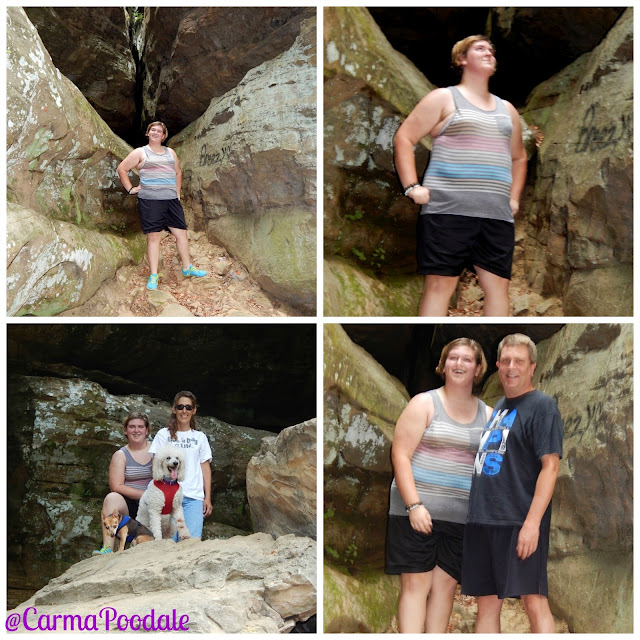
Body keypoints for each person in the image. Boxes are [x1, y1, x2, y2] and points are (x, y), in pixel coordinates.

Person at [394, 35, 527, 317]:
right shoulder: (443, 98)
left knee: (498, 287)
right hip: (447, 211)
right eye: (480, 48)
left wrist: (513, 198)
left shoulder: (508, 111)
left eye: (491, 50)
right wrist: (411, 186)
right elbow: (404, 138)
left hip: (496, 215)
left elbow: (519, 157)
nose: (489, 52)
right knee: (440, 285)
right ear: (461, 59)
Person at [386, 338, 493, 632]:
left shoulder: (489, 416)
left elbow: (491, 471)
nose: (459, 364)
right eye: (453, 358)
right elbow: (401, 454)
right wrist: (414, 505)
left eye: (467, 360)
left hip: (461, 518)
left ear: (478, 369)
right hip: (416, 510)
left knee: (445, 586)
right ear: (443, 365)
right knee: (416, 583)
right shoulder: (423, 403)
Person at [461, 333, 563, 633]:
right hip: (483, 520)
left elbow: (551, 467)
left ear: (532, 367)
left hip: (518, 521)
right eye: (505, 361)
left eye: (519, 361)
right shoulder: (500, 406)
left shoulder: (542, 406)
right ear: (497, 365)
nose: (511, 367)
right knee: (487, 604)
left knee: (533, 598)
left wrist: (532, 524)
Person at [117, 121, 207, 291]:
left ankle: (187, 268)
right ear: (148, 133)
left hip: (171, 200)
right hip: (150, 201)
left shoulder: (170, 152)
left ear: (164, 135)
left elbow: (178, 172)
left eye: (159, 131)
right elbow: (122, 169)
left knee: (181, 233)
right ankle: (154, 275)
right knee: (154, 238)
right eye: (153, 130)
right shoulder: (140, 152)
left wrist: (177, 192)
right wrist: (130, 189)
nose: (156, 132)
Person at [148, 391, 212, 539]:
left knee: (191, 542)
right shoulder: (163, 435)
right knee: (167, 542)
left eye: (188, 407)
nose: (184, 411)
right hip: (167, 495)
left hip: (193, 498)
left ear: (194, 410)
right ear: (174, 409)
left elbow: (205, 468)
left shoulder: (200, 438)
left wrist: (207, 497)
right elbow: (156, 464)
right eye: (180, 406)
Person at [92, 411, 153, 555]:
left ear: (147, 430)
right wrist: (145, 495)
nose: (136, 430)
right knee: (111, 497)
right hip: (131, 505)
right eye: (132, 427)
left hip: (154, 505)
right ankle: (108, 549)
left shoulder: (157, 451)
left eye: (140, 427)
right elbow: (116, 486)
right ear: (126, 430)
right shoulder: (121, 455)